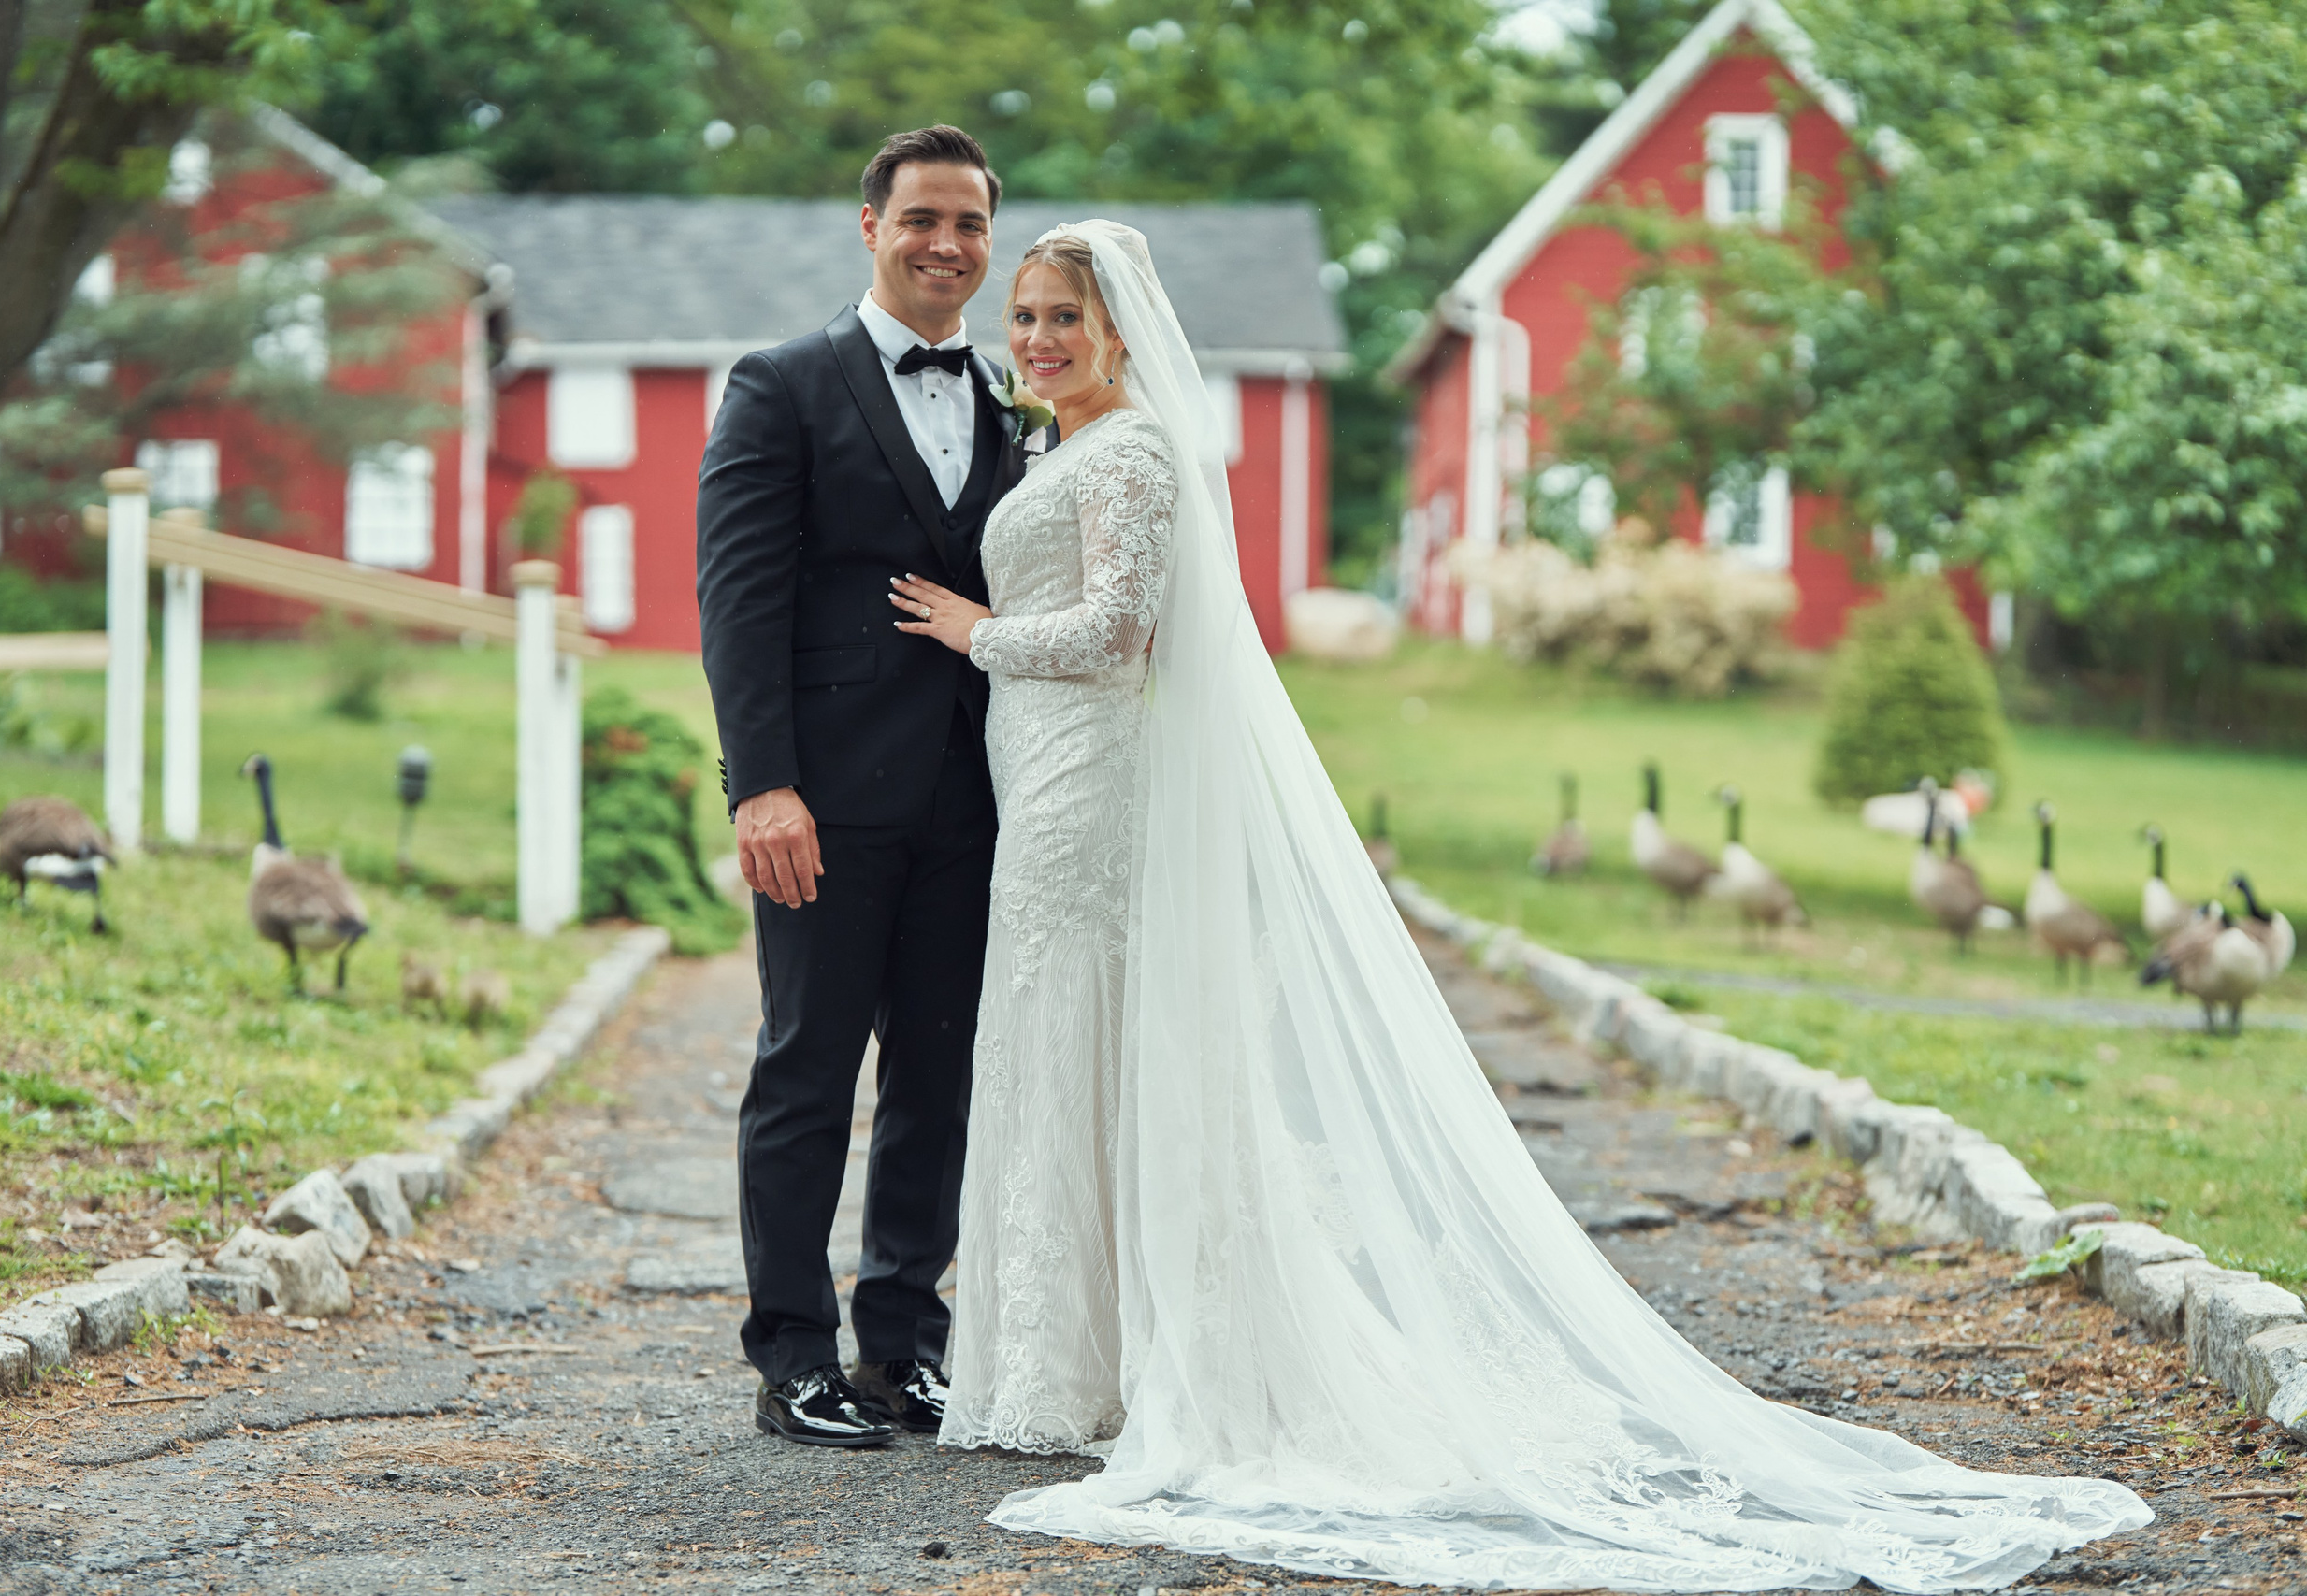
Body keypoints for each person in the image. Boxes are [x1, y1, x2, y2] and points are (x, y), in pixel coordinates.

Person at [886, 219, 2154, 1591]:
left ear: (1121, 330)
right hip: (1044, 779)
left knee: (1101, 1034)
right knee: (1067, 1036)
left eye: (1061, 317)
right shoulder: (1064, 448)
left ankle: (1125, 1361)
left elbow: (1122, 635)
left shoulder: (1130, 453)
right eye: (1024, 319)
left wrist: (978, 632)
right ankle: (1074, 1358)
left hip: (1093, 786)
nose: (1035, 341)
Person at [694, 125, 1027, 1448]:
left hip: (974, 800)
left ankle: (905, 1343)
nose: (948, 244)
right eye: (922, 219)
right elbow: (738, 603)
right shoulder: (780, 384)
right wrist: (760, 787)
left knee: (938, 1082)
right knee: (808, 1071)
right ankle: (793, 1358)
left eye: (970, 225)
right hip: (822, 805)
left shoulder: (1015, 396)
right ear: (871, 227)